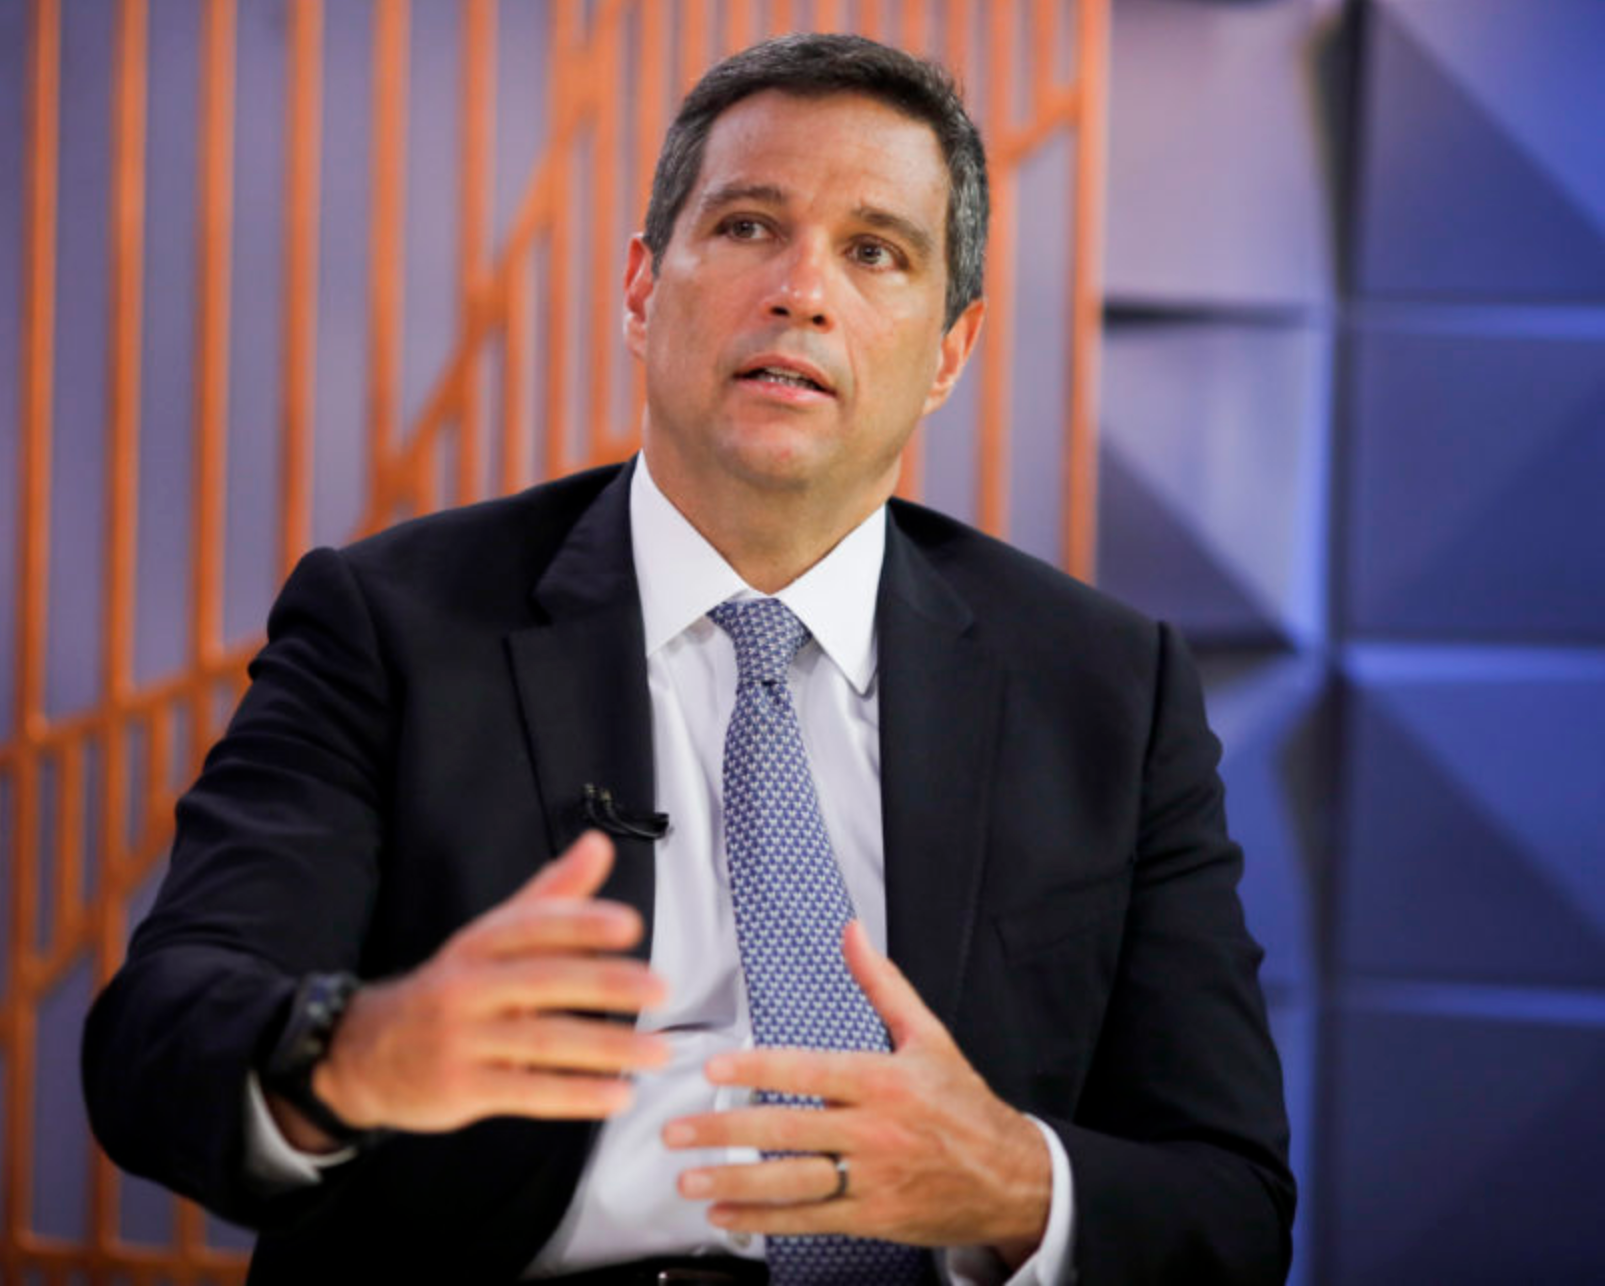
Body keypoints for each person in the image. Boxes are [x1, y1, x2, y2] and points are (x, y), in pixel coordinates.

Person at [83, 33, 1294, 1286]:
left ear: (948, 350)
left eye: (873, 252)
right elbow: (156, 1042)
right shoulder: (392, 627)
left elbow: (1231, 1206)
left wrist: (1012, 1181)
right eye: (747, 226)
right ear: (639, 290)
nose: (801, 290)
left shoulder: (1106, 692)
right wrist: (357, 1054)